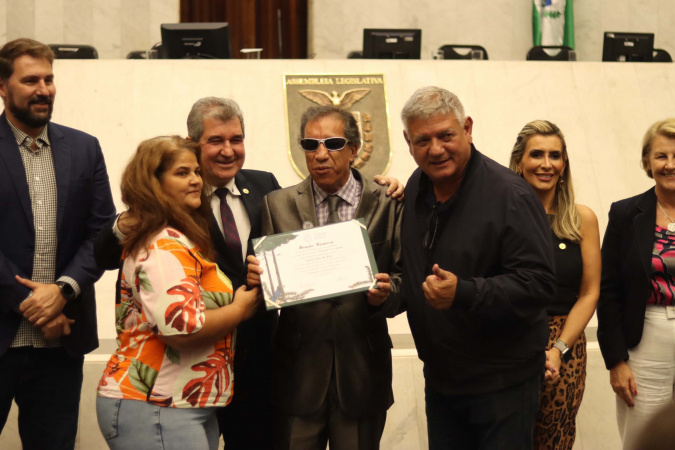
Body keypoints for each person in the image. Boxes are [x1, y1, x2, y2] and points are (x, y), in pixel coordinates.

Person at [94, 96, 404, 449]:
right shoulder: (167, 211)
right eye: (216, 141)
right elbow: (105, 254)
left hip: (258, 369)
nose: (228, 151)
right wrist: (135, 214)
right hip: (178, 376)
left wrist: (384, 187)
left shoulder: (265, 189)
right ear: (193, 144)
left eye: (236, 140)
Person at [400, 86, 556, 450]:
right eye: (423, 140)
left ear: (468, 128)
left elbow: (539, 284)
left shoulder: (511, 196)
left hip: (502, 387)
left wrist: (465, 292)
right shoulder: (416, 186)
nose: (436, 149)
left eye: (446, 135)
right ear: (408, 142)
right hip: (442, 381)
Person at [247, 105, 402, 450]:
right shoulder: (276, 204)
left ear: (353, 150)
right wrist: (258, 280)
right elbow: (266, 296)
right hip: (297, 373)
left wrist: (387, 294)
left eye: (332, 143)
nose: (320, 155)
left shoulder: (388, 202)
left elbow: (406, 278)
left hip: (363, 372)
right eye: (310, 144)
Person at [96, 136, 260, 449]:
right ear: (153, 184)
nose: (196, 180)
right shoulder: (163, 245)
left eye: (196, 172)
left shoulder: (175, 237)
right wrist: (239, 309)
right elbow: (182, 330)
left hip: (177, 404)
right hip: (157, 404)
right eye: (182, 173)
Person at [0, 38, 116, 449]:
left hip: (61, 341)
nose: (43, 89)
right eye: (30, 79)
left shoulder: (84, 148)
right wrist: (33, 304)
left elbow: (103, 232)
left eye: (49, 79)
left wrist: (62, 291)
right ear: (2, 86)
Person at [509, 120, 601, 449]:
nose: (546, 164)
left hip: (566, 345)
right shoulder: (501, 216)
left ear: (564, 165)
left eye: (555, 155)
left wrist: (557, 350)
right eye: (537, 154)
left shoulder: (582, 219)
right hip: (508, 343)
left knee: (554, 442)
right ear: (519, 162)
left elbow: (590, 292)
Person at [597, 118, 675, 449]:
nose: (670, 165)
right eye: (661, 156)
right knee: (643, 438)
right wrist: (616, 361)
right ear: (647, 162)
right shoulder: (626, 213)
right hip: (645, 340)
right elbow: (608, 290)